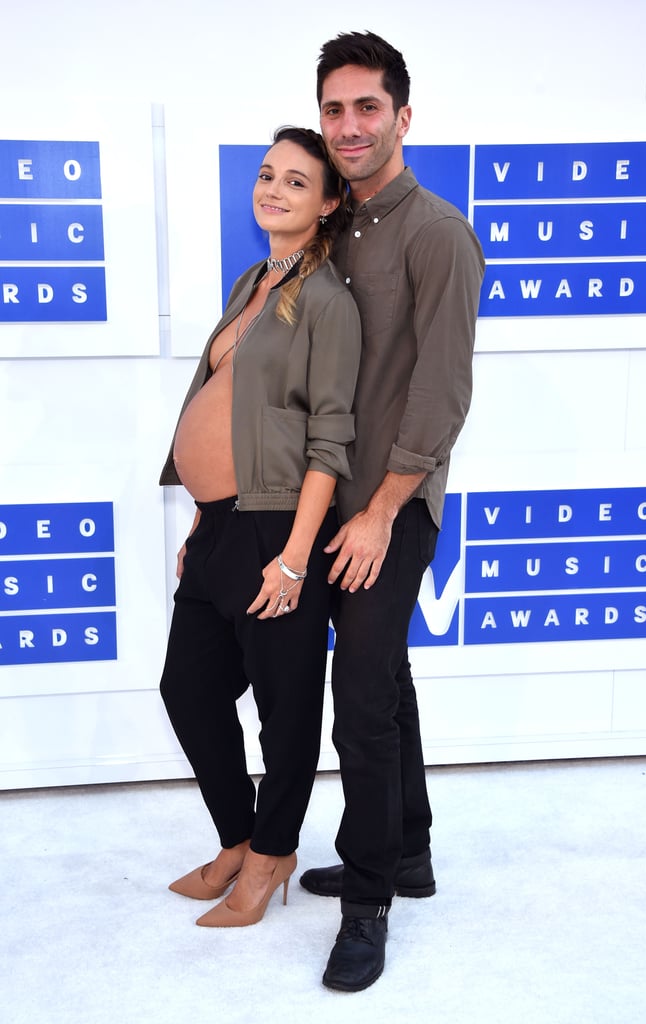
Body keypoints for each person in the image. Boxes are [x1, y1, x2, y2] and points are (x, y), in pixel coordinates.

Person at [298, 32, 485, 990]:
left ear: (403, 117)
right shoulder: (333, 227)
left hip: (391, 506)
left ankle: (368, 900)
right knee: (386, 682)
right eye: (334, 109)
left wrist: (378, 514)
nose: (349, 125)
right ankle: (406, 851)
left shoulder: (438, 232)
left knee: (361, 703)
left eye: (367, 107)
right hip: (324, 499)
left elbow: (443, 393)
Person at [158, 126, 361, 928]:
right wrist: (201, 518)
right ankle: (239, 839)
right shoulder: (252, 279)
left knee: (285, 712)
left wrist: (294, 559)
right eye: (268, 175)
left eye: (298, 182)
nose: (274, 189)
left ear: (328, 203)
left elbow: (329, 439)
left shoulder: (329, 301)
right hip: (218, 527)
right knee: (187, 689)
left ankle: (274, 852)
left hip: (276, 530)